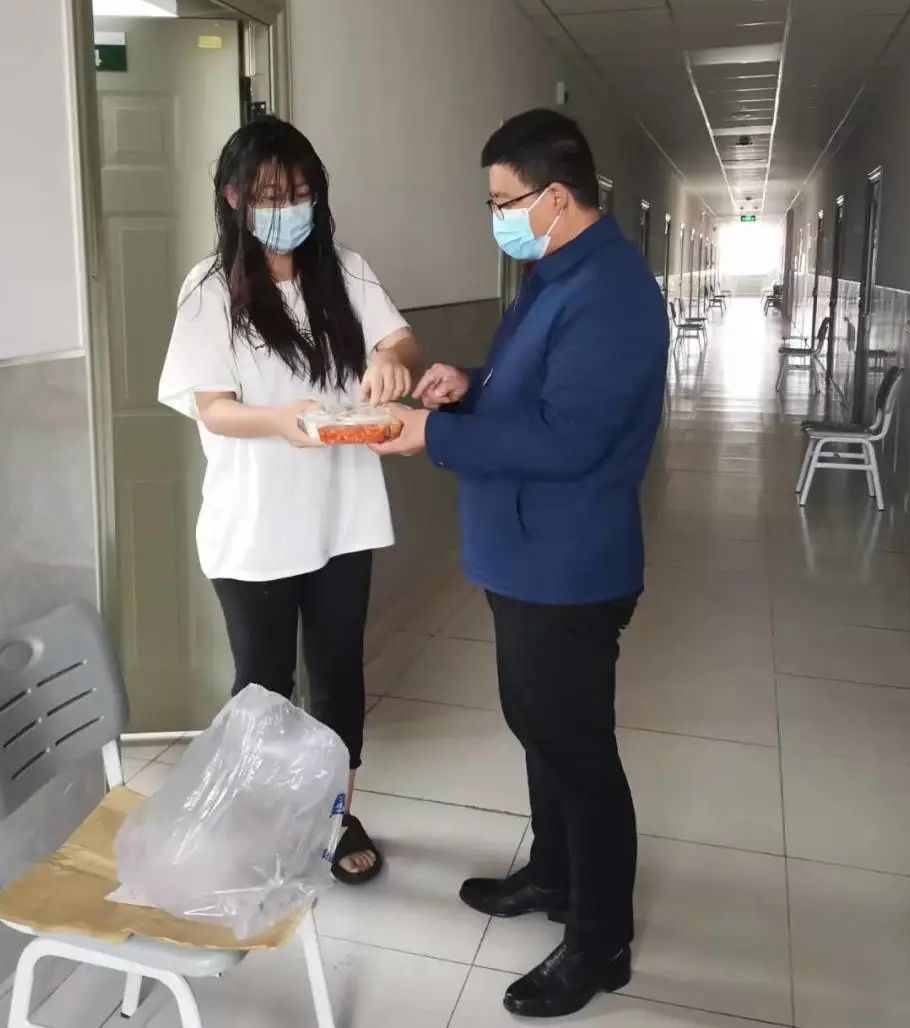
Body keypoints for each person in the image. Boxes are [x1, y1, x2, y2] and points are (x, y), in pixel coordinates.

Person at [374, 109, 668, 1016]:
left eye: (504, 201)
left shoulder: (612, 290)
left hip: (567, 564)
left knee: (577, 751)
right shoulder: (554, 273)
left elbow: (570, 437)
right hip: (523, 555)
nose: (496, 216)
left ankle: (600, 941)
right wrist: (469, 383)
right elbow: (531, 389)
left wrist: (432, 435)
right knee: (537, 727)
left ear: (556, 196)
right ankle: (554, 874)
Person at [158, 117, 422, 885]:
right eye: (271, 196)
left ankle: (335, 816)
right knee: (263, 687)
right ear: (234, 198)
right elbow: (213, 408)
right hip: (253, 527)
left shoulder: (346, 271)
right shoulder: (210, 290)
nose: (288, 209)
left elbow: (401, 341)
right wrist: (283, 422)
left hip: (342, 518)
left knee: (338, 675)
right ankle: (260, 823)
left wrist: (389, 360)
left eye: (301, 193)